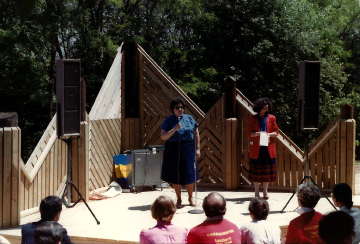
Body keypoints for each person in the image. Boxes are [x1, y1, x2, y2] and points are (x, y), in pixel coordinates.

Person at [161, 97, 200, 207]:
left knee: (189, 173)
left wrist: (197, 148)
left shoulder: (190, 118)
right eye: (177, 107)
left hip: (188, 147)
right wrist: (174, 129)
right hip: (173, 148)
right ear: (172, 109)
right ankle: (178, 199)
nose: (180, 109)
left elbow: (196, 134)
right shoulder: (168, 121)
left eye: (182, 107)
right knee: (176, 174)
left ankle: (191, 198)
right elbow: (163, 137)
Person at [247, 98, 278, 199]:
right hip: (256, 149)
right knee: (256, 171)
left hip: (268, 149)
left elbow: (276, 133)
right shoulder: (252, 118)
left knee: (267, 171)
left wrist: (268, 134)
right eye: (264, 105)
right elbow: (249, 133)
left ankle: (265, 192)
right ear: (259, 106)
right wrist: (260, 134)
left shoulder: (272, 118)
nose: (267, 106)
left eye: (267, 104)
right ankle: (256, 192)